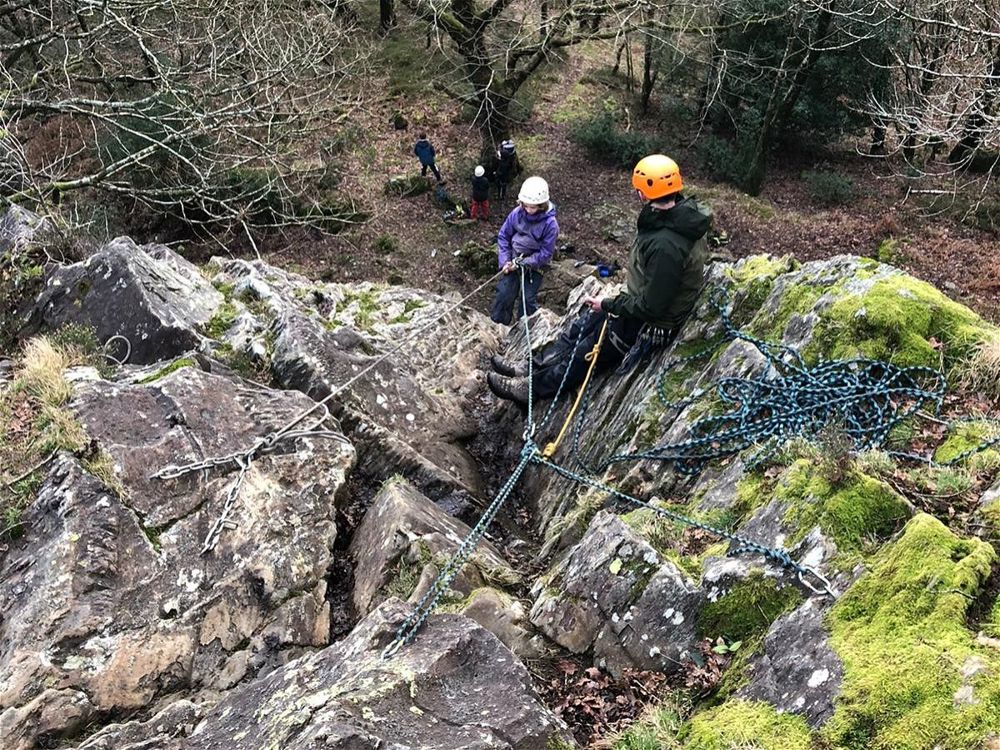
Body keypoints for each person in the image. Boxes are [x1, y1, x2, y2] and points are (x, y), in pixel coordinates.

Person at [487, 154, 711, 407]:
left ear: (644, 193)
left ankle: (531, 389)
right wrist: (610, 304)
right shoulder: (675, 217)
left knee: (585, 353)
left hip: (648, 320)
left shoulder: (666, 245)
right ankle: (529, 367)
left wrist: (609, 305)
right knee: (579, 327)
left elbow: (653, 306)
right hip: (635, 301)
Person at [490, 176, 559, 325]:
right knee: (504, 294)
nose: (528, 210)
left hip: (536, 266)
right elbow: (503, 236)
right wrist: (505, 261)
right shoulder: (517, 213)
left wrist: (525, 262)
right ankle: (498, 326)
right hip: (513, 259)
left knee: (527, 300)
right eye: (525, 206)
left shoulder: (550, 224)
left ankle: (524, 329)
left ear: (542, 205)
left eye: (532, 207)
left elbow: (546, 253)